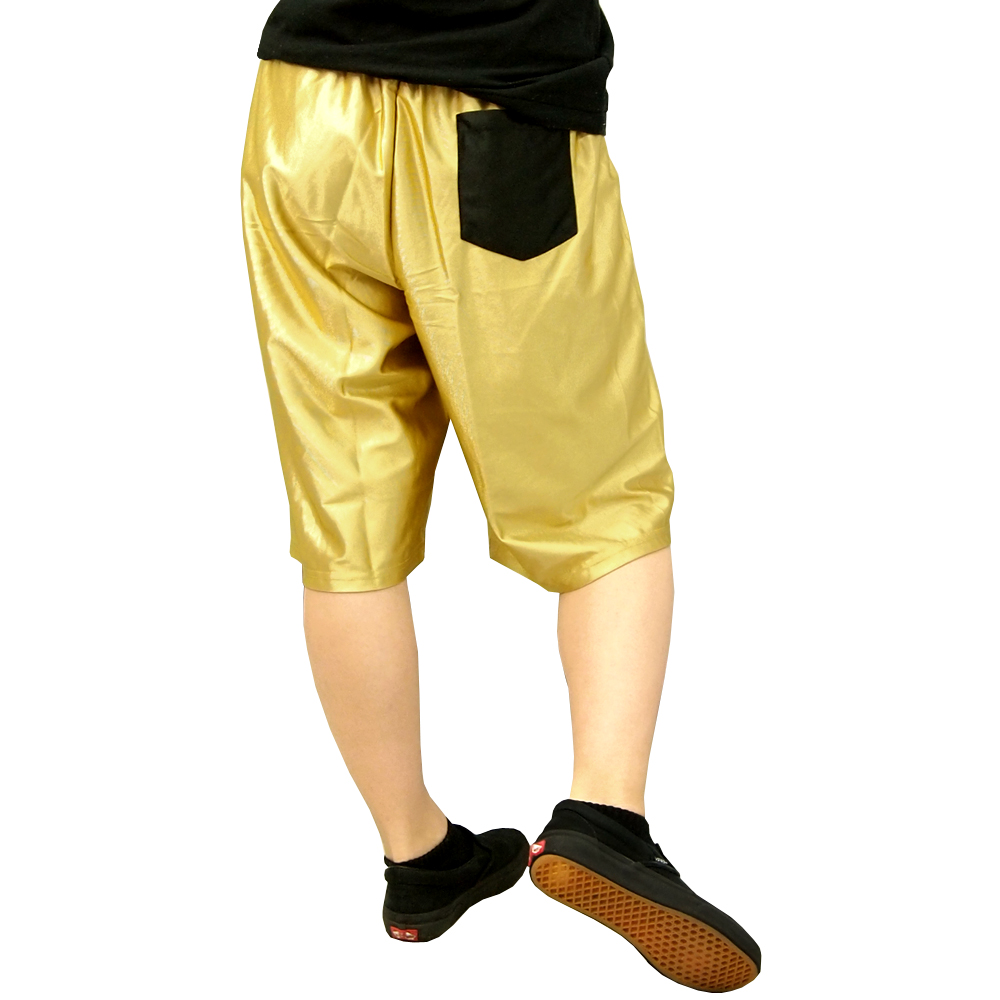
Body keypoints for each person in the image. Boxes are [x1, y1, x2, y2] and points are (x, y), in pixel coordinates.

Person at [240, 0, 760, 990]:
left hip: (299, 112)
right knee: (605, 502)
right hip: (499, 111)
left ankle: (418, 858)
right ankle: (605, 816)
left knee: (345, 522)